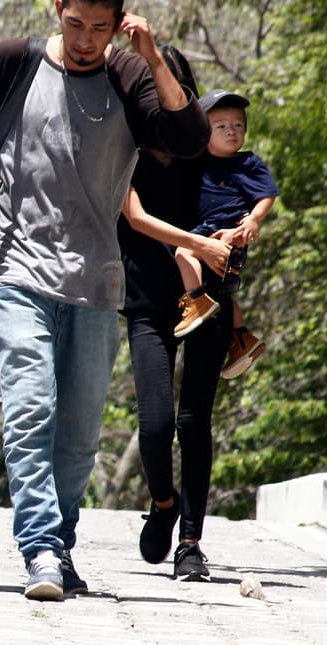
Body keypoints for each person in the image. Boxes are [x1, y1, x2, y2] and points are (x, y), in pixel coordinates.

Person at [0, 0, 209, 601]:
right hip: (18, 267)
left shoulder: (130, 73)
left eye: (99, 28)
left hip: (98, 279)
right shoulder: (17, 61)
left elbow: (189, 137)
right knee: (30, 410)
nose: (84, 41)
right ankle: (41, 548)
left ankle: (62, 539)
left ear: (117, 25)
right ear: (59, 9)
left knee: (78, 432)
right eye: (76, 23)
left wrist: (154, 57)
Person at [120, 53, 272, 581]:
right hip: (146, 301)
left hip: (207, 302)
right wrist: (195, 245)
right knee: (156, 424)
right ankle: (163, 502)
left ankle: (190, 542)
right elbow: (135, 217)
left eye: (175, 89)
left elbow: (246, 204)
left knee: (194, 423)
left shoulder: (206, 154)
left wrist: (239, 235)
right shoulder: (122, 154)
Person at [168, 90, 277, 371]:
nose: (231, 131)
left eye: (238, 125)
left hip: (230, 232)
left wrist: (254, 220)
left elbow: (267, 194)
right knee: (222, 294)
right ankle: (241, 338)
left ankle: (196, 301)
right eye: (222, 126)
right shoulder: (198, 163)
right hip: (209, 230)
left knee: (183, 251)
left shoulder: (246, 162)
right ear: (205, 133)